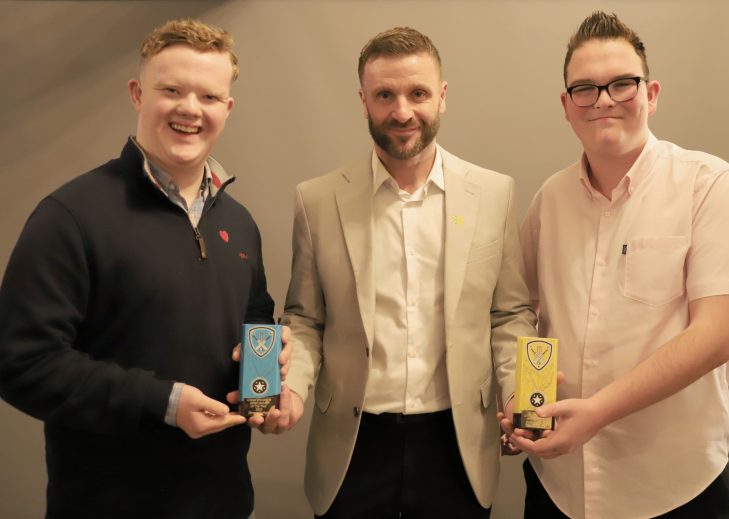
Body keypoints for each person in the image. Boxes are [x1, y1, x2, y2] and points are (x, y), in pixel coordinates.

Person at [0, 18, 292, 519]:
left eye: (208, 96)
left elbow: (256, 323)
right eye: (172, 90)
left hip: (223, 502)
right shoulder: (71, 215)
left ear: (227, 107)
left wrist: (268, 383)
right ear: (138, 93)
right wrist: (163, 402)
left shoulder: (239, 223)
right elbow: (19, 361)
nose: (189, 110)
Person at [501, 11, 729, 519]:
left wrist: (597, 413)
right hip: (559, 485)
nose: (603, 100)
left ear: (651, 94)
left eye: (622, 84)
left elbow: (719, 333)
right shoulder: (549, 201)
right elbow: (522, 316)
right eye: (585, 88)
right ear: (566, 106)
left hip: (674, 486)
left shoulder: (709, 184)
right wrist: (522, 404)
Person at [279, 26, 537, 518]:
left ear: (442, 97)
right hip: (353, 447)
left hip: (457, 443)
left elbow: (508, 316)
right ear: (363, 101)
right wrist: (291, 388)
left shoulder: (494, 193)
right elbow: (305, 320)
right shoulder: (316, 200)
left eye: (418, 93)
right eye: (385, 95)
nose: (402, 112)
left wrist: (524, 397)